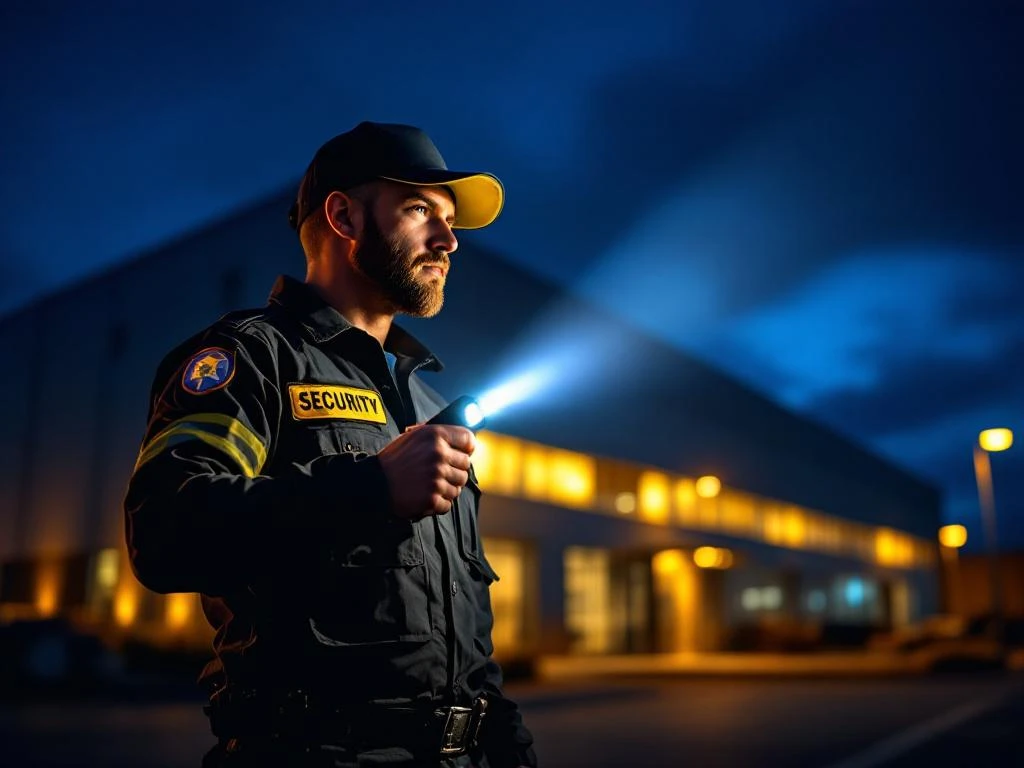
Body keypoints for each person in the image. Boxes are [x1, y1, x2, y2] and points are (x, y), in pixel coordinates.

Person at [123, 121, 537, 768]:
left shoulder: (427, 408)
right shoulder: (252, 358)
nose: (449, 240)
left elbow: (467, 638)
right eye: (420, 209)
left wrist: (510, 749)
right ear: (343, 216)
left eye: (451, 219)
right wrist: (370, 489)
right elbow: (163, 526)